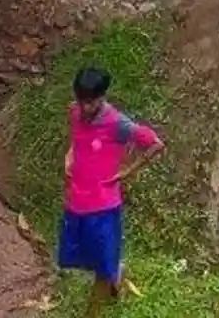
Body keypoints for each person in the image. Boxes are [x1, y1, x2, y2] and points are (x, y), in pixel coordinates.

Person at [60, 67, 165, 317]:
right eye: (82, 101)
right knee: (81, 257)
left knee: (101, 268)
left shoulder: (118, 124)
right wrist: (70, 155)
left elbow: (155, 144)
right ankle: (118, 274)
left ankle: (93, 312)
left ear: (103, 96)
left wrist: (129, 171)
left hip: (103, 207)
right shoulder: (74, 111)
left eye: (92, 102)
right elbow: (75, 138)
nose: (86, 108)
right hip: (76, 201)